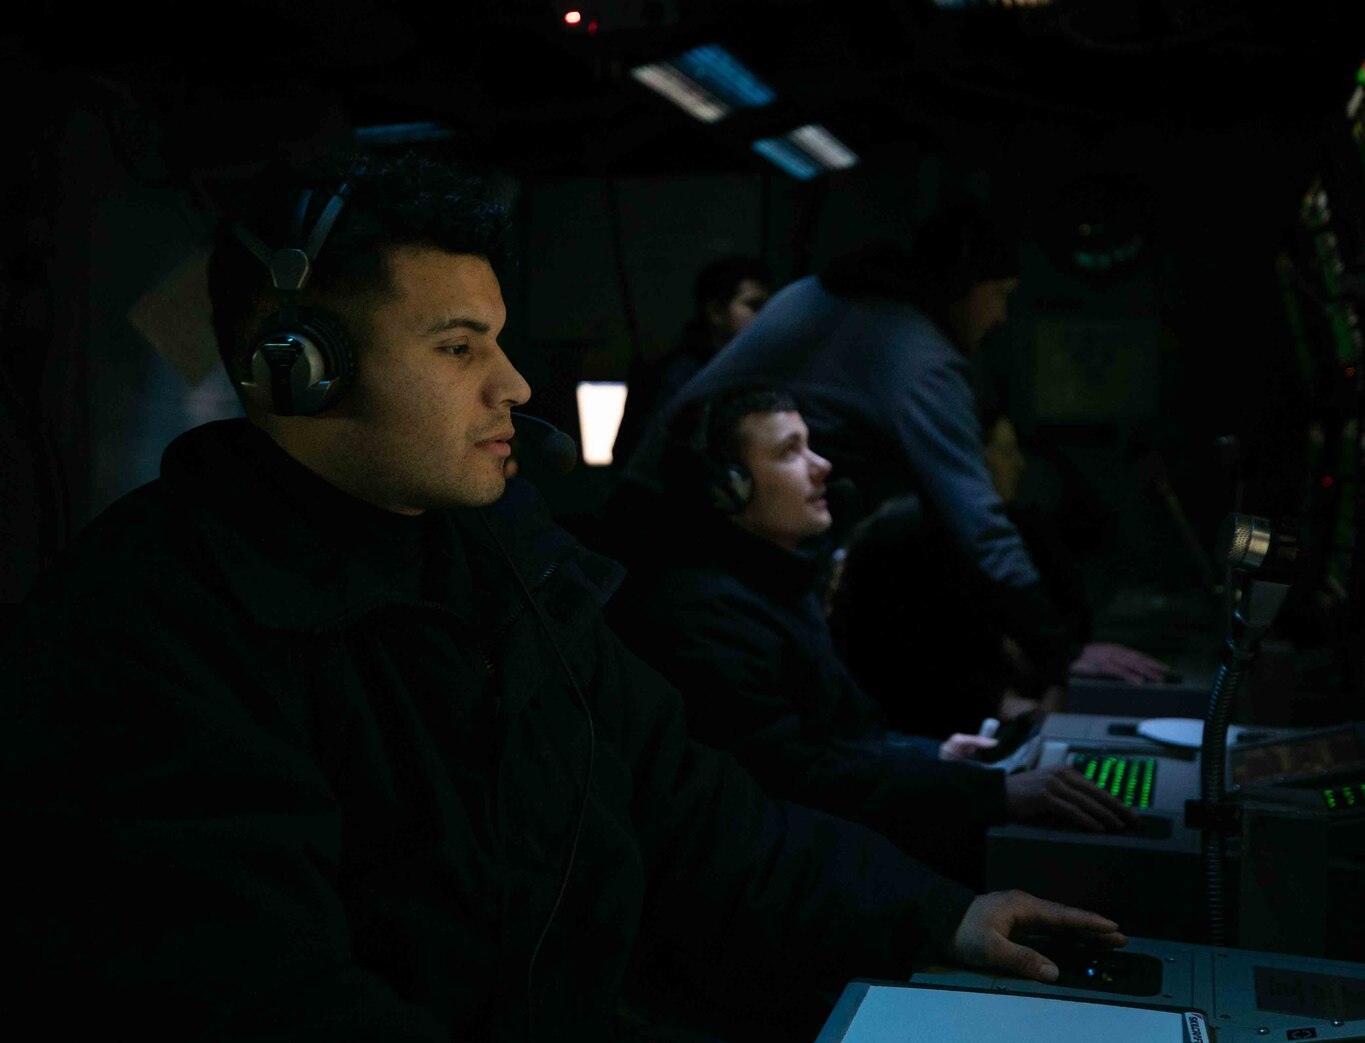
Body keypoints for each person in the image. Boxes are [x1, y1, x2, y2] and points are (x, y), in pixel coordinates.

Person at [0, 152, 1127, 1041]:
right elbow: (264, 998)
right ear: (294, 366)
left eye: (495, 338)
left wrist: (936, 913)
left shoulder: (504, 566)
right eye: (456, 346)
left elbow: (690, 810)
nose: (515, 384)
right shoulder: (149, 633)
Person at [609, 386, 1142, 891]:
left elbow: (839, 739)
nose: (822, 466)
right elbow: (796, 777)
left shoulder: (775, 582)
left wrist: (935, 754)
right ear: (728, 487)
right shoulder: (704, 615)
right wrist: (992, 792)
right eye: (790, 452)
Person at [620, 203, 1088, 711]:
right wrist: (1062, 654)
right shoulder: (917, 356)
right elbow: (978, 524)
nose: (1000, 316)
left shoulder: (825, 296)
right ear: (961, 283)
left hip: (667, 520)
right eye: (1000, 295)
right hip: (689, 540)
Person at [830, 408, 1170, 737]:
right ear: (968, 457)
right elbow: (905, 667)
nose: (1019, 464)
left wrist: (1055, 676)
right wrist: (1006, 701)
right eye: (1005, 452)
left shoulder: (1004, 528)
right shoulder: (905, 532)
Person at [611, 254, 773, 468]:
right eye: (754, 305)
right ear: (715, 311)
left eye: (770, 307)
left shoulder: (756, 372)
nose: (766, 317)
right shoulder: (679, 376)